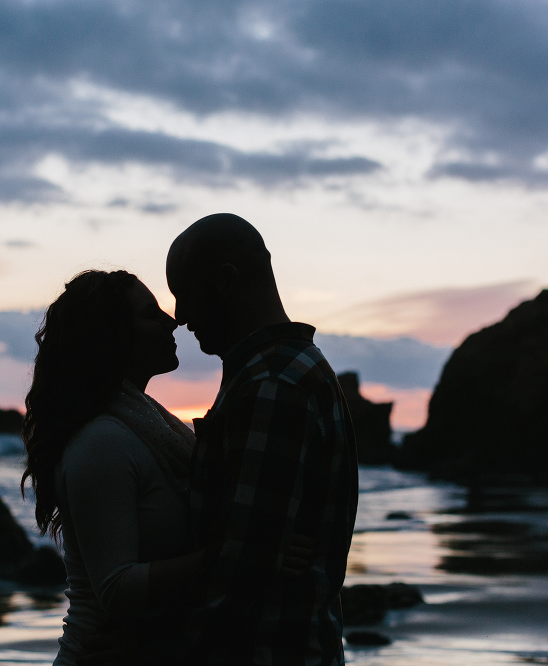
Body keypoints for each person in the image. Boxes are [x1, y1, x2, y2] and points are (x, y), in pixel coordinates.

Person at [20, 269, 313, 666]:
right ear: (113, 337)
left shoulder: (146, 427)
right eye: (150, 313)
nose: (171, 320)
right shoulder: (102, 442)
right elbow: (117, 587)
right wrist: (245, 554)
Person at [167, 213, 359, 666]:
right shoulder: (284, 371)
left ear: (227, 282)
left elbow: (239, 578)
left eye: (185, 295)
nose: (178, 317)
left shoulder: (272, 385)